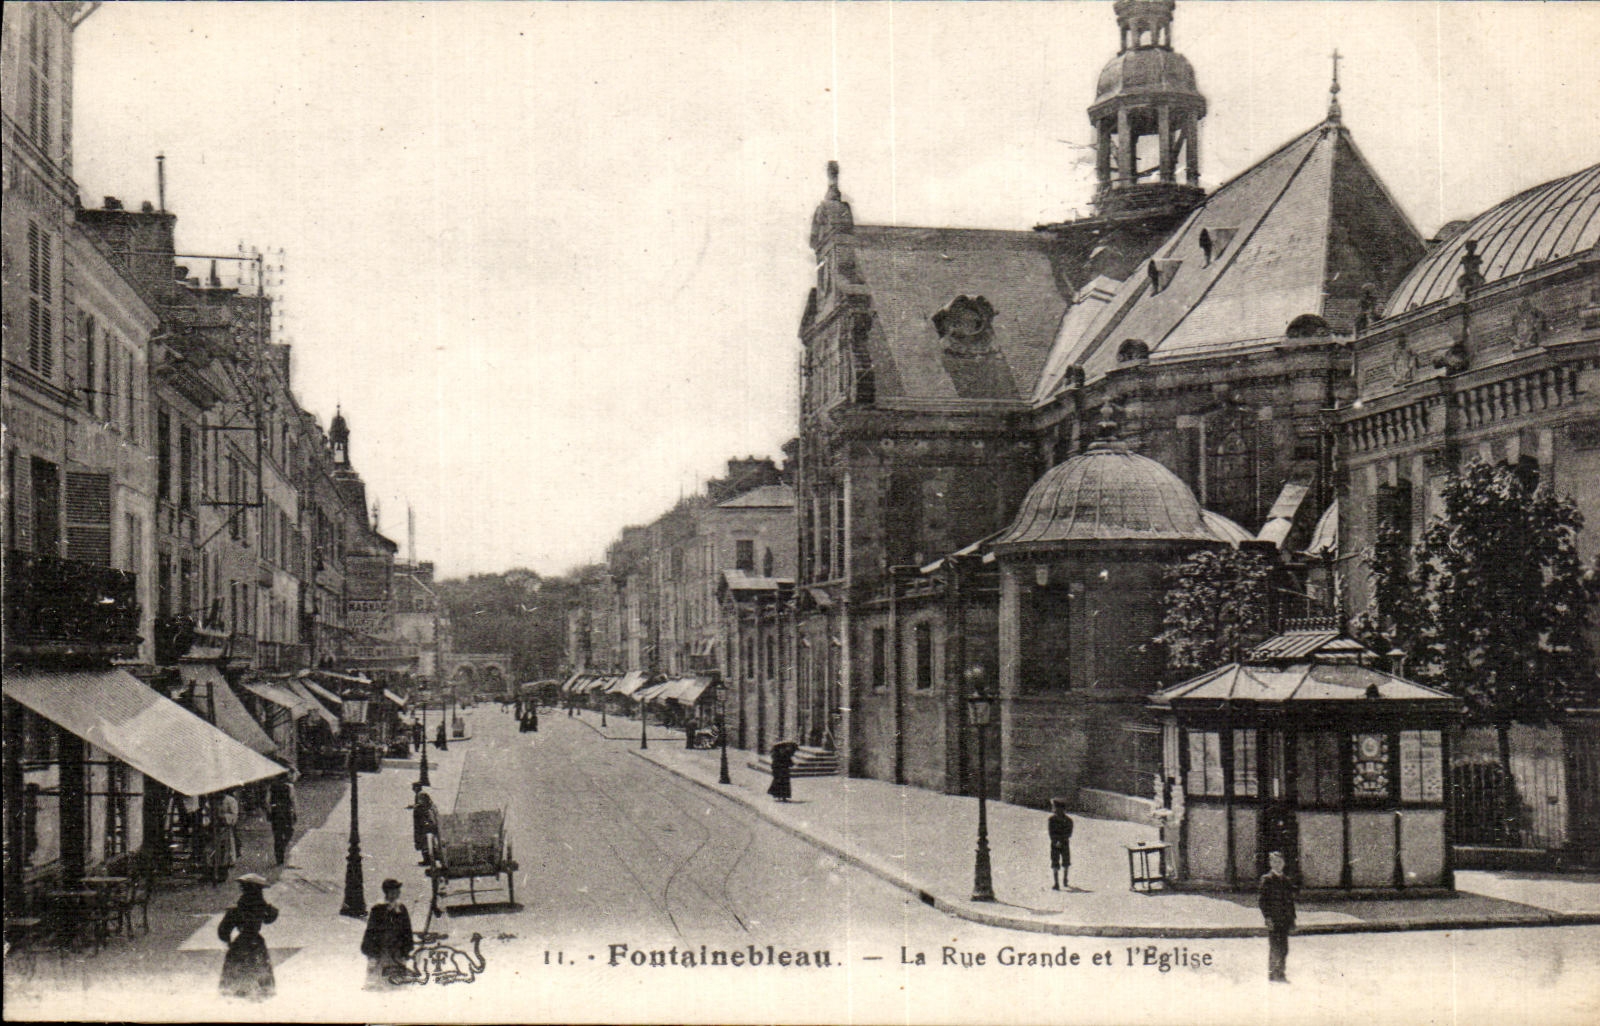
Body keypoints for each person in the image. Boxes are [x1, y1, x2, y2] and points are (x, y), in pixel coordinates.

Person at [218, 873, 278, 1000]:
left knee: (235, 971)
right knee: (262, 969)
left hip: (241, 943)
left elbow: (223, 930)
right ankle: (264, 992)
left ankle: (235, 993)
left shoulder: (238, 909)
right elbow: (270, 918)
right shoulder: (261, 907)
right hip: (256, 942)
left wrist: (228, 941)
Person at [361, 878, 416, 988]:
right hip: (382, 952)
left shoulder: (401, 908)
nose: (397, 893)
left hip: (398, 952)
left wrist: (407, 949)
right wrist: (371, 953)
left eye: (398, 890)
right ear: (387, 892)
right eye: (394, 890)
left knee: (397, 983)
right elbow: (371, 932)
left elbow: (407, 930)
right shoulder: (378, 909)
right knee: (380, 982)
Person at [1259, 850, 1297, 983]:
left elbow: (1290, 902)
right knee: (1275, 947)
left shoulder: (1286, 880)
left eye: (1279, 862)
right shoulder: (1267, 879)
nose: (1277, 865)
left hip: (1285, 919)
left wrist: (1293, 920)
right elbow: (1263, 902)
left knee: (1284, 948)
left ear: (1284, 863)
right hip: (1274, 919)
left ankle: (1281, 972)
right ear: (1270, 863)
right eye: (1274, 862)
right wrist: (1267, 918)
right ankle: (1274, 974)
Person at [268, 775, 297, 866]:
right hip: (286, 812)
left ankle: (279, 856)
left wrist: (269, 812)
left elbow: (267, 801)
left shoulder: (272, 787)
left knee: (277, 835)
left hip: (276, 812)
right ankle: (282, 849)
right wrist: (295, 812)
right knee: (289, 831)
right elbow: (293, 800)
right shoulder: (289, 787)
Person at [1048, 797, 1074, 890]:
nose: (1054, 809)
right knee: (1056, 862)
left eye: (1054, 807)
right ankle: (1057, 883)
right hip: (1058, 843)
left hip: (1061, 843)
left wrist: (1058, 841)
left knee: (1065, 862)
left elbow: (1069, 833)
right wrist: (1057, 841)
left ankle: (1064, 879)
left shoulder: (1068, 820)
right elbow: (1051, 832)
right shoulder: (1052, 820)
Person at [410, 782, 439, 866]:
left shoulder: (421, 794)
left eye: (413, 787)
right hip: (424, 821)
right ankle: (430, 857)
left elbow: (421, 805)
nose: (412, 789)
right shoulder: (421, 794)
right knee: (425, 840)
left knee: (424, 840)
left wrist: (414, 807)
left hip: (425, 822)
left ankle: (428, 859)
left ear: (416, 787)